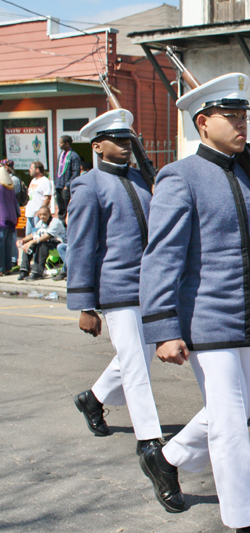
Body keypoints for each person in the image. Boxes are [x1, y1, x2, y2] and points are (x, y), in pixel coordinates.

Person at [138, 73, 250, 532]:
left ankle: (168, 458)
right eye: (232, 117)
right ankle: (243, 519)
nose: (242, 125)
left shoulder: (246, 177)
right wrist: (163, 328)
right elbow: (160, 257)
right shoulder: (180, 176)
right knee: (230, 427)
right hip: (203, 319)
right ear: (203, 122)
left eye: (244, 116)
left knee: (235, 412)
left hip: (244, 318)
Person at [67, 109, 165, 461]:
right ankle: (149, 438)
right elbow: (80, 246)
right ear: (97, 146)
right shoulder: (88, 185)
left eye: (129, 139)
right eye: (118, 140)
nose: (126, 145)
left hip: (149, 285)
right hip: (115, 288)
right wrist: (85, 305)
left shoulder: (140, 179)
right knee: (136, 362)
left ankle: (92, 399)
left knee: (141, 355)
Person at [16, 206, 65, 280]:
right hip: (46, 242)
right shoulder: (40, 222)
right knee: (29, 246)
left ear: (49, 214)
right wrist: (23, 240)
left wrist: (31, 242)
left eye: (44, 214)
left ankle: (37, 272)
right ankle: (24, 270)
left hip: (58, 244)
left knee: (42, 245)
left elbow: (47, 236)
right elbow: (34, 234)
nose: (42, 216)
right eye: (40, 215)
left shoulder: (55, 222)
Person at [54, 135, 81, 224]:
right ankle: (61, 227)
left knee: (67, 209)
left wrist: (67, 185)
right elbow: (58, 169)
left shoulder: (74, 156)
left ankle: (68, 229)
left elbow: (76, 173)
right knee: (61, 209)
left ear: (66, 144)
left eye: (61, 142)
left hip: (66, 188)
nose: (59, 144)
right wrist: (56, 182)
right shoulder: (61, 155)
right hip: (59, 185)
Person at [25, 161, 52, 236]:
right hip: (30, 213)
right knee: (28, 235)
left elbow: (47, 198)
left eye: (31, 168)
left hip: (37, 214)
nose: (29, 170)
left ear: (37, 170)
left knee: (36, 235)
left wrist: (40, 212)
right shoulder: (33, 181)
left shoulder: (45, 181)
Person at [0, 167, 16, 275]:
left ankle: (0, 269)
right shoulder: (11, 188)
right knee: (7, 245)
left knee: (1, 246)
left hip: (1, 219)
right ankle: (7, 268)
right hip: (11, 219)